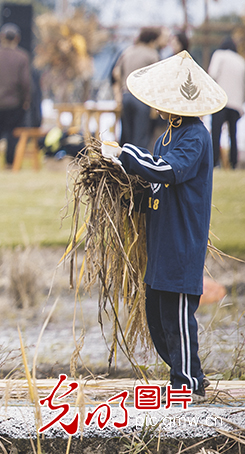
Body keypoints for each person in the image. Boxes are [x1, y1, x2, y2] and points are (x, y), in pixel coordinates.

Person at [102, 50, 226, 401]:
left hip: (182, 241)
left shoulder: (195, 136)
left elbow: (165, 171)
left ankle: (188, 382)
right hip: (161, 243)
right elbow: (154, 184)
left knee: (177, 317)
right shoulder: (166, 137)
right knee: (157, 318)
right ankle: (183, 374)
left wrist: (124, 153)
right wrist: (125, 195)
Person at [0, 24, 31, 168]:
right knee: (12, 136)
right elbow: (25, 83)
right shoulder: (22, 57)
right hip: (14, 103)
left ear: (1, 37)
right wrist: (26, 100)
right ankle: (10, 164)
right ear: (17, 38)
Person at [113, 27, 162, 150]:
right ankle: (138, 165)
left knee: (127, 135)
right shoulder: (152, 54)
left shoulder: (128, 51)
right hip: (141, 98)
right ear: (152, 41)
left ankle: (125, 163)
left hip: (126, 96)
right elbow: (156, 78)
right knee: (140, 136)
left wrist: (120, 90)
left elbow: (116, 73)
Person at [207, 36, 244, 169]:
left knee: (216, 133)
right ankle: (234, 163)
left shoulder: (219, 55)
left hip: (220, 101)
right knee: (232, 135)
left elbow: (212, 75)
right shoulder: (241, 61)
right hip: (236, 103)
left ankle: (214, 162)